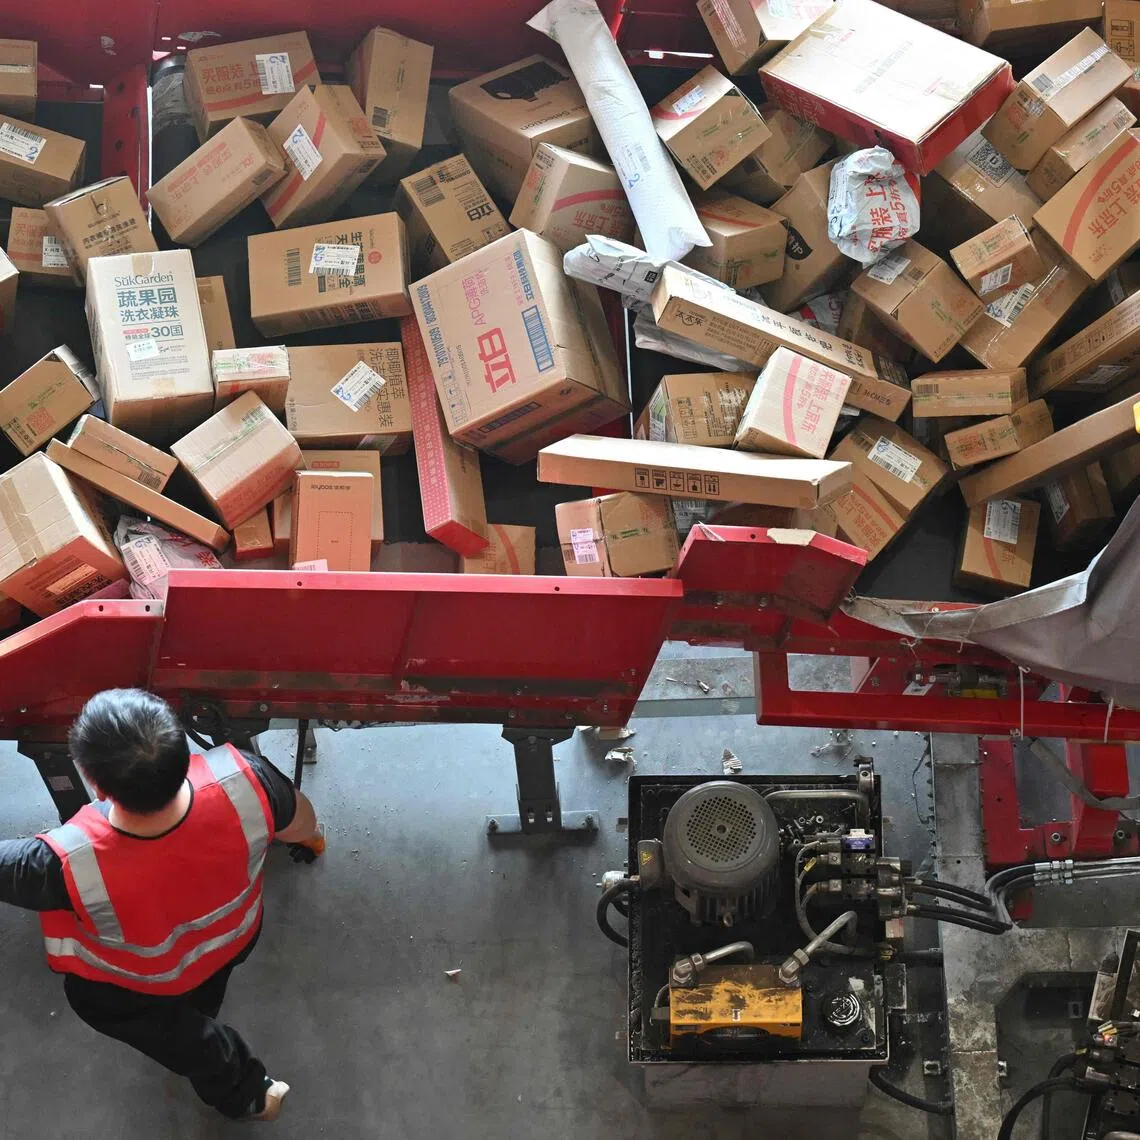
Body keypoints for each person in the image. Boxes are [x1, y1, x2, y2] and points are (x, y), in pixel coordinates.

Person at [0, 687, 324, 1122]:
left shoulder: (59, 863)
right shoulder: (247, 779)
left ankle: (241, 1087)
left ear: (96, 785)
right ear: (182, 751)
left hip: (134, 984)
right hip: (230, 940)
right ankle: (201, 1012)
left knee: (171, 1032)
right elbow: (303, 822)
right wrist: (309, 837)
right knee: (204, 994)